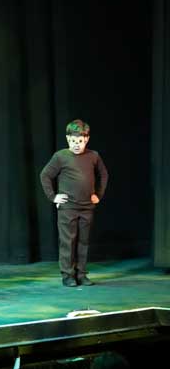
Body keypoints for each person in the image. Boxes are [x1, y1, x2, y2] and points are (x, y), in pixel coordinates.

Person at [39, 119, 108, 287]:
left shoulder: (93, 156)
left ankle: (81, 274)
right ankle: (68, 275)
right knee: (68, 242)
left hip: (86, 207)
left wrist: (98, 195)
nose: (76, 144)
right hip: (68, 208)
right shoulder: (61, 156)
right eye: (73, 141)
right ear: (68, 139)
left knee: (83, 242)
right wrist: (53, 197)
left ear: (87, 139)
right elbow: (45, 175)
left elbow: (103, 174)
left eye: (80, 141)